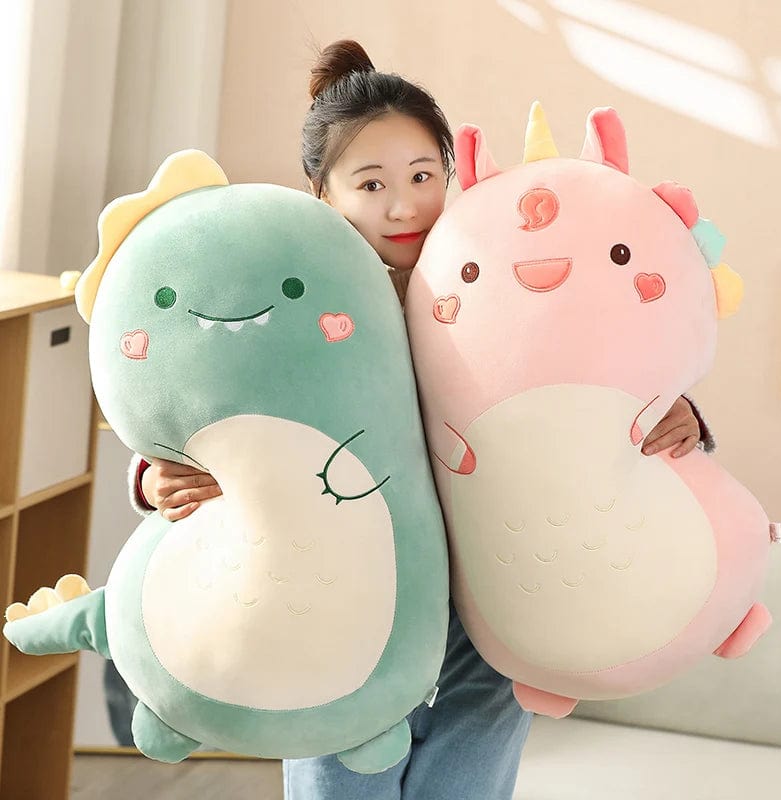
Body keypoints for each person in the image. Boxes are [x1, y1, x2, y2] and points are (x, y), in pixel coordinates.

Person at [128, 40, 714, 799]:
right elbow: (207, 390)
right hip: (345, 588)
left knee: (472, 766)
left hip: (490, 587)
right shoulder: (297, 301)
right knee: (340, 770)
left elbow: (600, 359)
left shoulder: (499, 285)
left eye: (422, 176)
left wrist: (674, 410)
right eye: (371, 184)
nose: (403, 205)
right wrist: (158, 475)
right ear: (323, 194)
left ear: (450, 173)